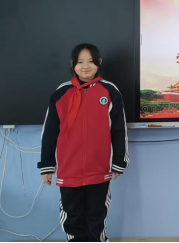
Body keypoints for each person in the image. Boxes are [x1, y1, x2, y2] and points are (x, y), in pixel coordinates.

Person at [38, 44, 129, 242]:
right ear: (72, 64)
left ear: (99, 63)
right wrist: (47, 166)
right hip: (68, 170)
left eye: (91, 61)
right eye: (80, 62)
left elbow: (119, 130)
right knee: (72, 217)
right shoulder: (61, 93)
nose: (85, 66)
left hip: (99, 169)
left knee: (97, 217)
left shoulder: (110, 91)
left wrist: (119, 161)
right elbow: (49, 132)